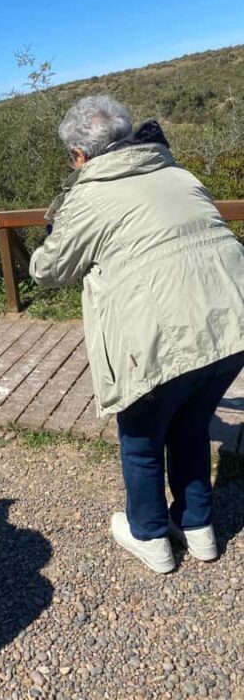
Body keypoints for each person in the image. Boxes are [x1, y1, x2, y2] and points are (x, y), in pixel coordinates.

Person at [29, 95, 244, 574]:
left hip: (160, 337)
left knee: (142, 440)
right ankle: (200, 530)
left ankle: (149, 537)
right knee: (190, 426)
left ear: (80, 156)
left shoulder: (90, 194)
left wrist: (52, 229)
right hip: (232, 328)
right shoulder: (180, 174)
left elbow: (47, 269)